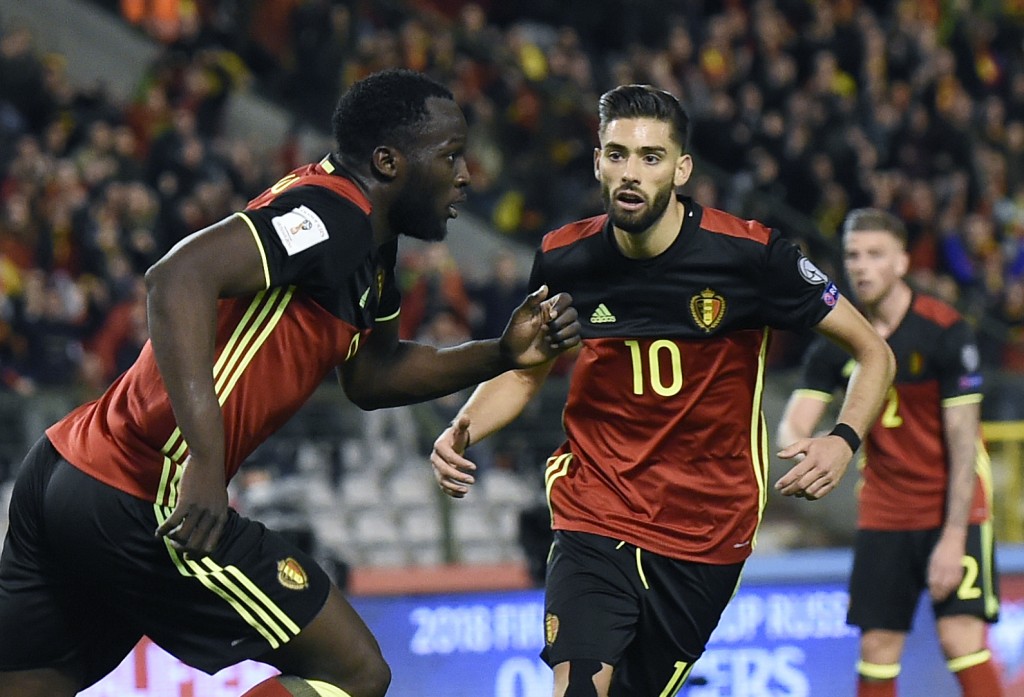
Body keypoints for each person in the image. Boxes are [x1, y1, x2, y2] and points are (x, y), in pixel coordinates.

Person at [0, 68, 581, 697]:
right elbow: (178, 276)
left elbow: (374, 375)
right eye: (450, 156)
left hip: (68, 471)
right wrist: (205, 458)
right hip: (143, 488)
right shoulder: (333, 214)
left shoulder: (370, 247)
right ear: (388, 162)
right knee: (355, 671)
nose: (466, 175)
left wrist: (501, 352)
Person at [430, 84, 895, 697]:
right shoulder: (565, 257)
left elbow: (873, 351)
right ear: (597, 162)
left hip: (706, 531)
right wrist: (463, 428)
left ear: (681, 170)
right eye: (617, 154)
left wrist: (843, 439)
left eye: (651, 157)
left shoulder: (751, 255)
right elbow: (524, 371)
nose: (631, 171)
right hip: (596, 506)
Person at [777, 208, 1003, 697]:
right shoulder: (837, 341)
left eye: (875, 255)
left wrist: (953, 536)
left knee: (961, 638)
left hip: (952, 508)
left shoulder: (944, 331)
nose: (861, 266)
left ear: (902, 263)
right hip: (884, 512)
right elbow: (792, 424)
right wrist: (804, 449)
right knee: (877, 646)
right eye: (853, 255)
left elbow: (964, 442)